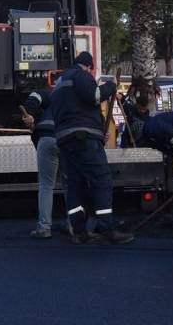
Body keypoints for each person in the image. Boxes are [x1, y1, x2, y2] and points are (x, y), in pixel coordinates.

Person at [52, 51, 132, 245]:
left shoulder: (59, 82)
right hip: (83, 138)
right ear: (89, 66)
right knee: (102, 179)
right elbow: (95, 96)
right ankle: (107, 228)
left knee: (75, 185)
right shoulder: (81, 76)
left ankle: (79, 231)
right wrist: (111, 86)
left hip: (65, 140)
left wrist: (97, 131)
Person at [21, 87, 57, 239]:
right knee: (71, 184)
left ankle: (44, 228)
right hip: (67, 138)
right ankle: (74, 226)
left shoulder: (46, 92)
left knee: (46, 185)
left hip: (46, 137)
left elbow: (32, 101)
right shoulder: (73, 97)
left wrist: (30, 116)